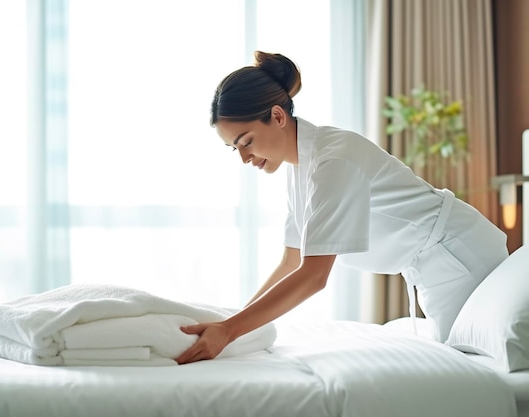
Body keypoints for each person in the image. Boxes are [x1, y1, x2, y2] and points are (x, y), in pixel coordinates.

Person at [174, 51, 509, 365]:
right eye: (235, 149)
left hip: (458, 252)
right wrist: (233, 326)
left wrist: (231, 330)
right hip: (436, 262)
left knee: (479, 364)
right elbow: (291, 262)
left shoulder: (334, 159)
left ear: (277, 116)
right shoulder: (300, 169)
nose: (245, 158)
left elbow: (313, 275)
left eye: (246, 141)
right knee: (461, 362)